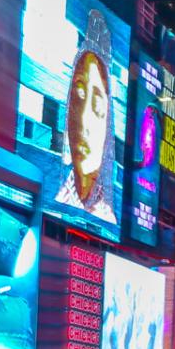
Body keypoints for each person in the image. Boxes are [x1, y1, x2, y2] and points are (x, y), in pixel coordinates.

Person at [53, 43, 117, 223]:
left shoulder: (107, 219)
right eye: (79, 96)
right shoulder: (54, 199)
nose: (83, 120)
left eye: (97, 106)